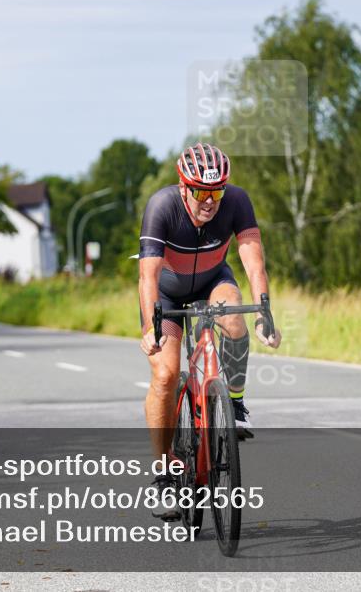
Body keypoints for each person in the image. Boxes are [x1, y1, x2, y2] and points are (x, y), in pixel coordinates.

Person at [137, 143, 281, 520]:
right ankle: (163, 475)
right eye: (201, 192)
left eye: (216, 192)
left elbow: (253, 263)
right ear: (184, 187)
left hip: (213, 280)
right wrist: (151, 326)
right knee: (166, 375)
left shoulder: (237, 201)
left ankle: (235, 402)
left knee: (234, 319)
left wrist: (264, 312)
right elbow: (148, 276)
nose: (210, 201)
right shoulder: (162, 206)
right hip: (167, 293)